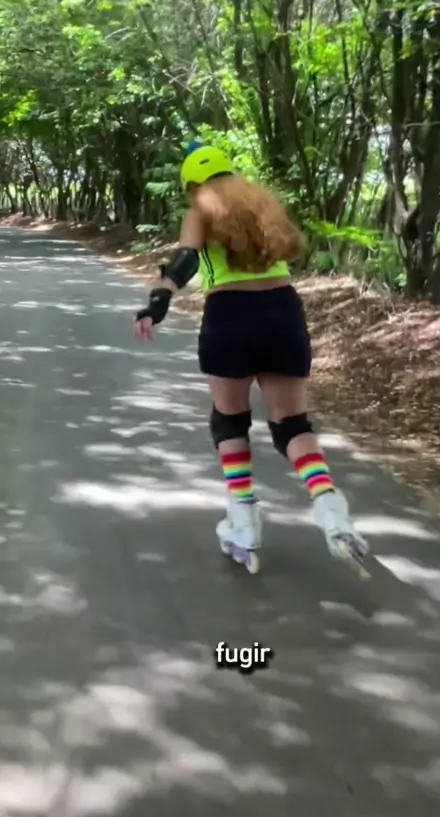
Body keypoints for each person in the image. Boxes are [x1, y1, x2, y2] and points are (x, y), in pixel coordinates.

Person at [134, 141, 368, 573]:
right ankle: (330, 507)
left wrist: (159, 299)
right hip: (283, 311)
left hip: (230, 315)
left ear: (192, 184)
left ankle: (243, 522)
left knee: (229, 421)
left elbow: (186, 260)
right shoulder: (263, 206)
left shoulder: (199, 211)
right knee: (291, 425)